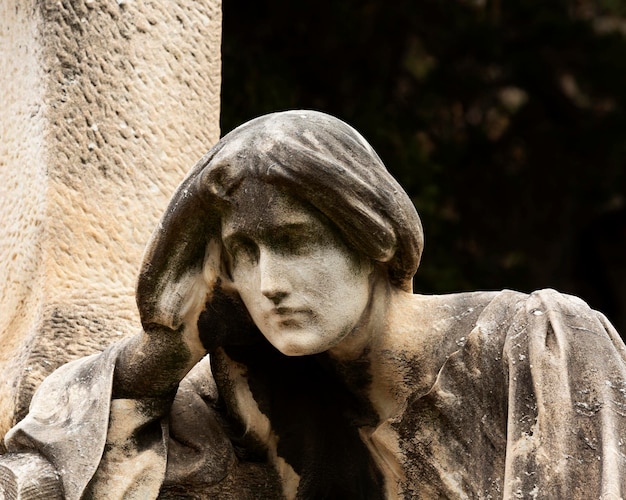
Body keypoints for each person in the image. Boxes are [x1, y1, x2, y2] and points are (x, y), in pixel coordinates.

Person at [3, 110, 626, 499]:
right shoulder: (258, 403)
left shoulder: (539, 349)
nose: (269, 281)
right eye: (243, 253)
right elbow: (48, 482)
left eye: (295, 241)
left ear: (372, 237)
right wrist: (169, 350)